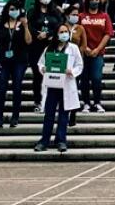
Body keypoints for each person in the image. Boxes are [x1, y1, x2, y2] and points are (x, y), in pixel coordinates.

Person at [35, 20, 84, 154]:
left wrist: (72, 71)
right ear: (56, 34)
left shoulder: (73, 48)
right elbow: (40, 64)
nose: (64, 34)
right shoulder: (49, 49)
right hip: (52, 85)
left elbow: (79, 65)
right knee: (49, 114)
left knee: (64, 115)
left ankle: (61, 140)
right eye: (61, 32)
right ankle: (44, 141)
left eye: (66, 32)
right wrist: (43, 69)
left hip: (66, 85)